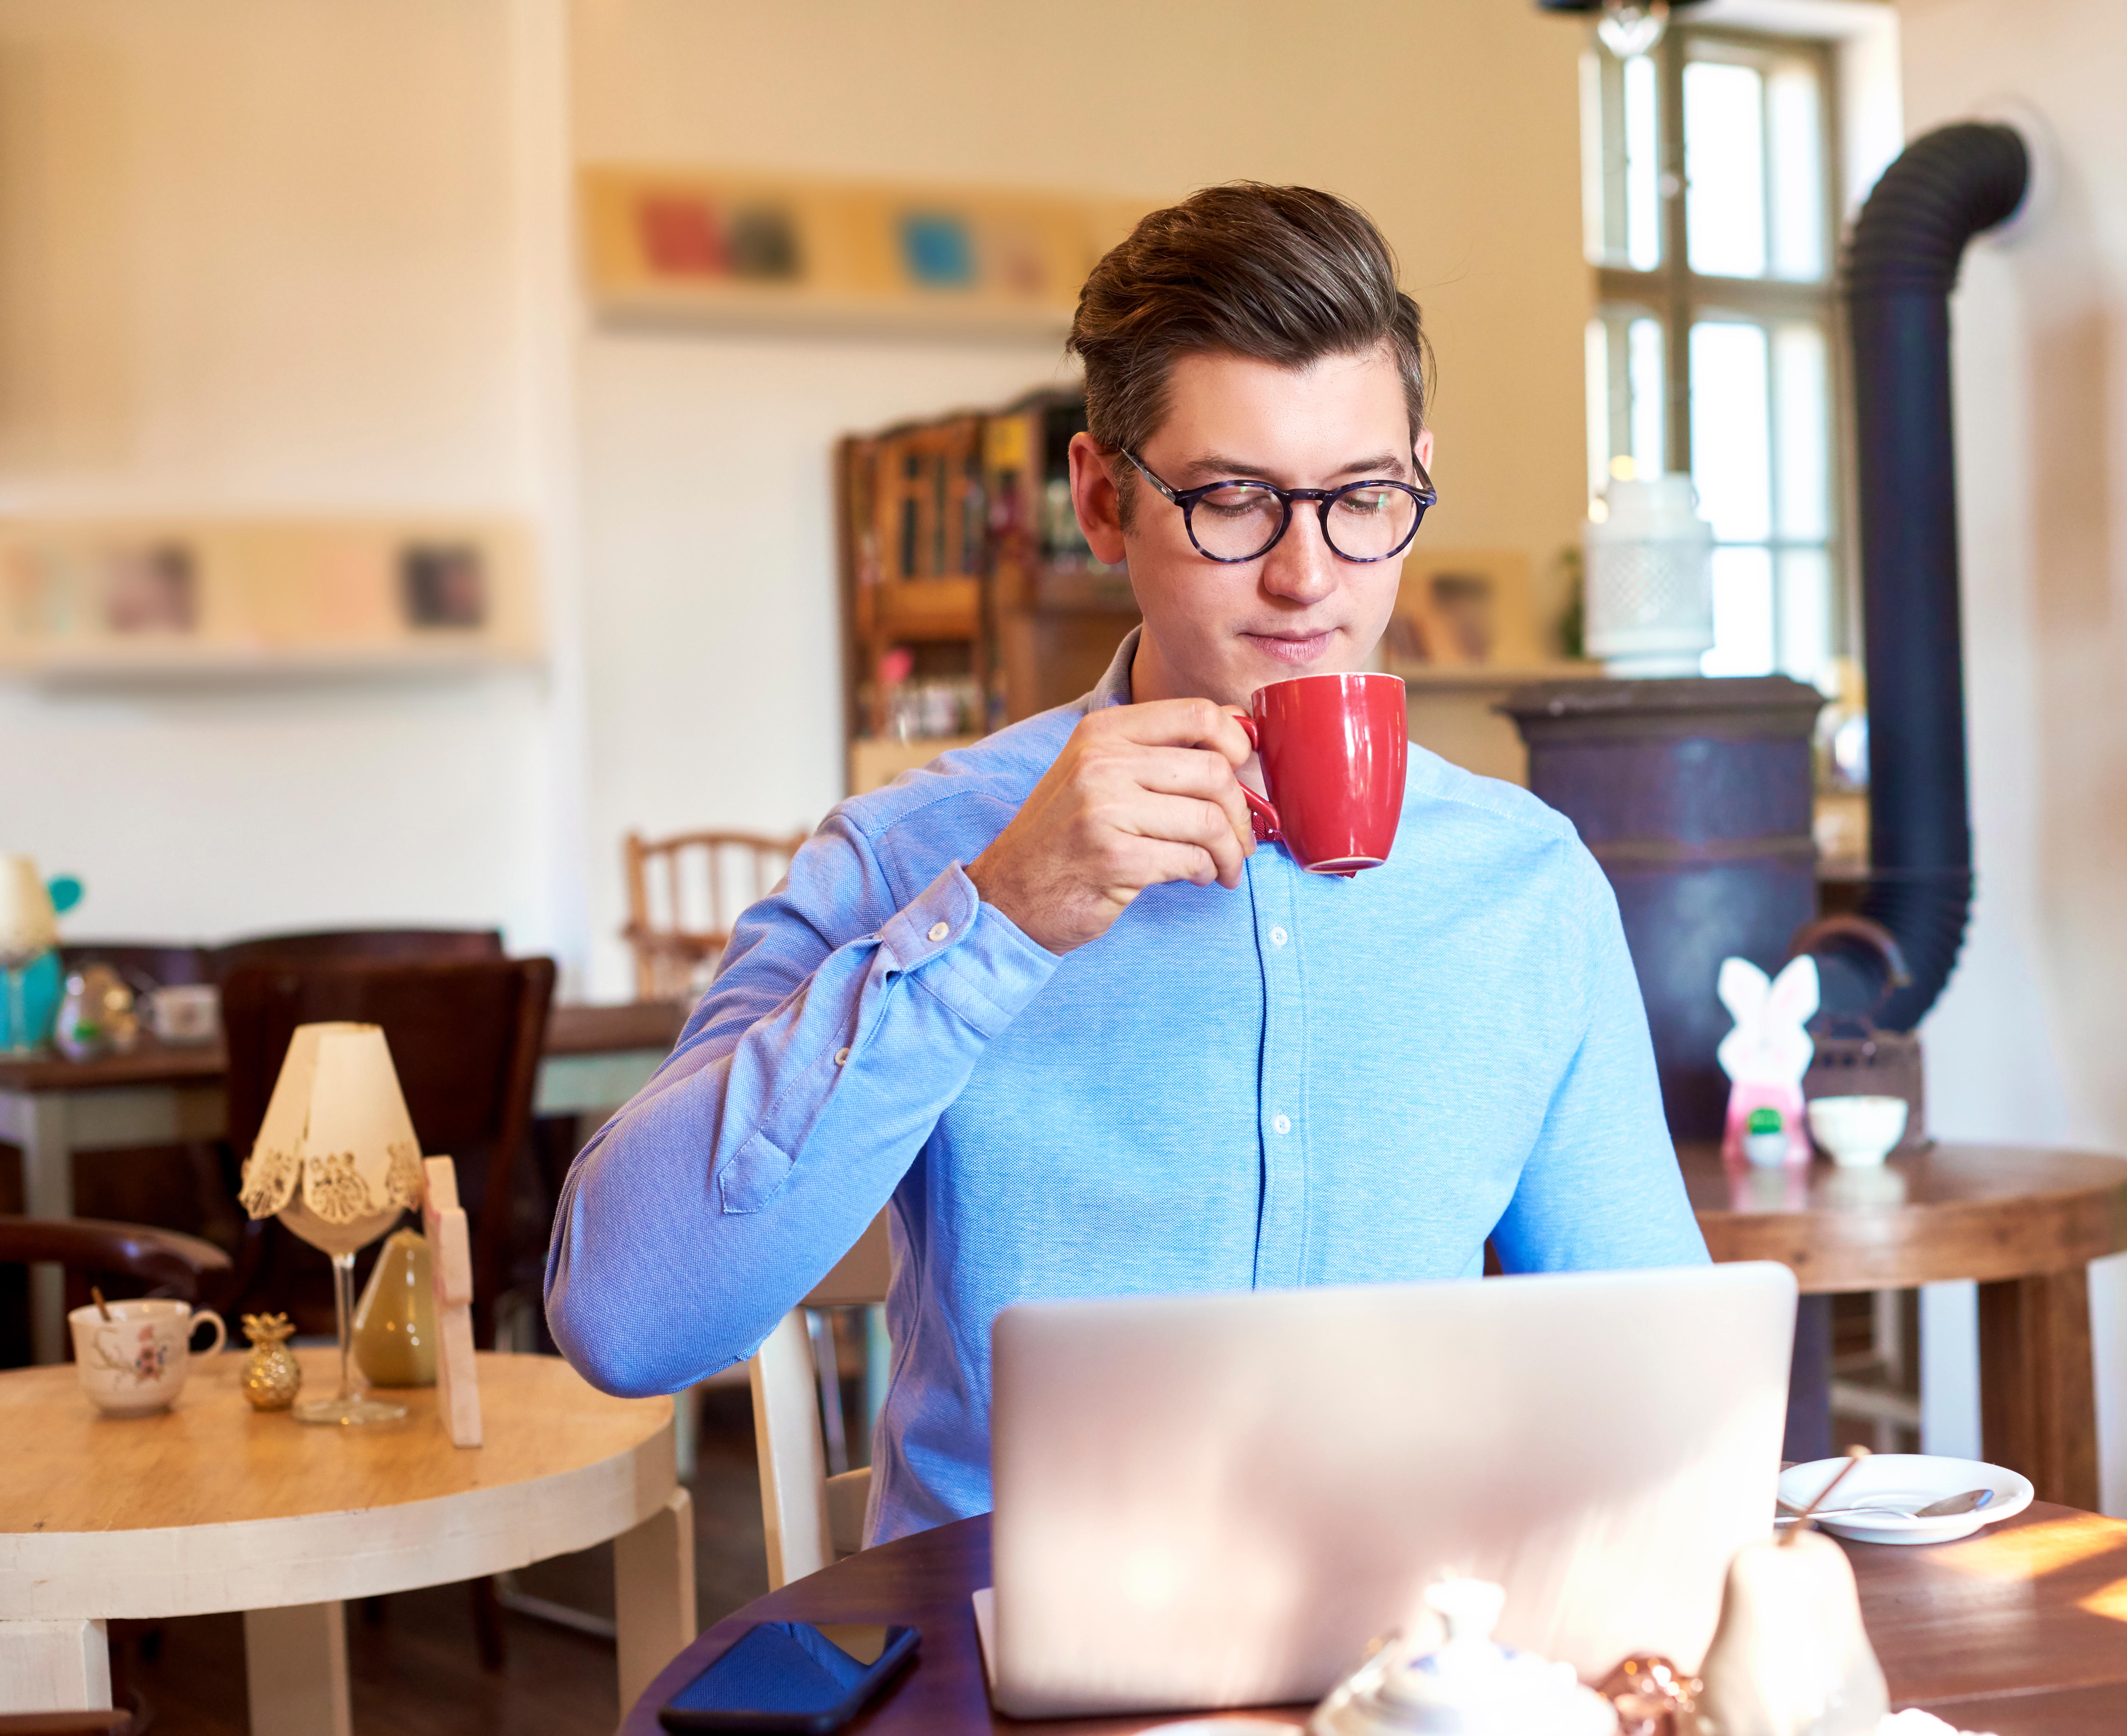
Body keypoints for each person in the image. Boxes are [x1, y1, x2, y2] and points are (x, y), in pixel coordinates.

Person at [547, 182, 1708, 1542]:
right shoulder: (920, 853)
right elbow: (624, 1322)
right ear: (1104, 503)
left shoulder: (1527, 887)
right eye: (1232, 502)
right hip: (1010, 1651)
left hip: (1401, 1656)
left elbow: (1663, 1371)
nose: (1309, 576)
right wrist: (1002, 916)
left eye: (1362, 499)